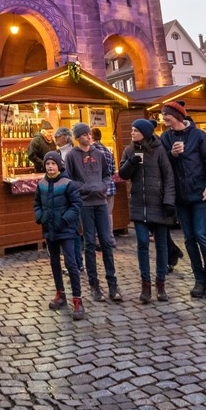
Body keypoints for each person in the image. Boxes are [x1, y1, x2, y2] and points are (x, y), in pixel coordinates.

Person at [161, 101, 206, 300]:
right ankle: (199, 279)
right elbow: (163, 166)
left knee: (201, 235)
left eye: (166, 115)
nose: (164, 118)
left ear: (177, 115)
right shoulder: (166, 138)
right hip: (180, 197)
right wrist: (172, 154)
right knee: (188, 238)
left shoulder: (199, 136)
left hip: (200, 194)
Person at [119, 117, 177, 302]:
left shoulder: (159, 151)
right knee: (142, 243)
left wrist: (169, 201)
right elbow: (122, 174)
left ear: (144, 132)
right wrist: (132, 163)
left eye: (135, 130)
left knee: (161, 246)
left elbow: (168, 176)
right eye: (132, 130)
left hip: (159, 205)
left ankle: (161, 285)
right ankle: (145, 286)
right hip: (139, 205)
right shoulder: (129, 150)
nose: (132, 133)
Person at [65, 121, 122, 302]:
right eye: (84, 134)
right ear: (78, 137)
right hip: (85, 204)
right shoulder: (72, 156)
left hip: (101, 202)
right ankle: (94, 285)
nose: (88, 137)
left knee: (106, 241)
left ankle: (113, 284)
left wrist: (104, 185)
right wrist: (84, 188)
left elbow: (107, 173)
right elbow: (69, 179)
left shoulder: (99, 153)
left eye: (89, 134)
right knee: (89, 243)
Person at [35, 150, 86, 320]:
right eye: (48, 164)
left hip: (66, 230)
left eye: (53, 164)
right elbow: (37, 204)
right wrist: (40, 217)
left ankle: (77, 299)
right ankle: (60, 293)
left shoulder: (67, 183)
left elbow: (76, 204)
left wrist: (64, 220)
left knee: (71, 263)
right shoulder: (41, 184)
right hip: (50, 230)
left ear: (59, 165)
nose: (50, 167)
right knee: (54, 262)